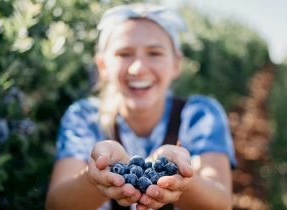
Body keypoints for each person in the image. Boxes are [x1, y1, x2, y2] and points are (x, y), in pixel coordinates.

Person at [46, 3, 236, 210]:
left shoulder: (200, 115)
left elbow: (221, 204)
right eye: (124, 54)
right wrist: (94, 180)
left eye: (154, 53)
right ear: (103, 66)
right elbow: (57, 204)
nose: (138, 68)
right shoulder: (84, 117)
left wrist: (181, 179)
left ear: (175, 64)